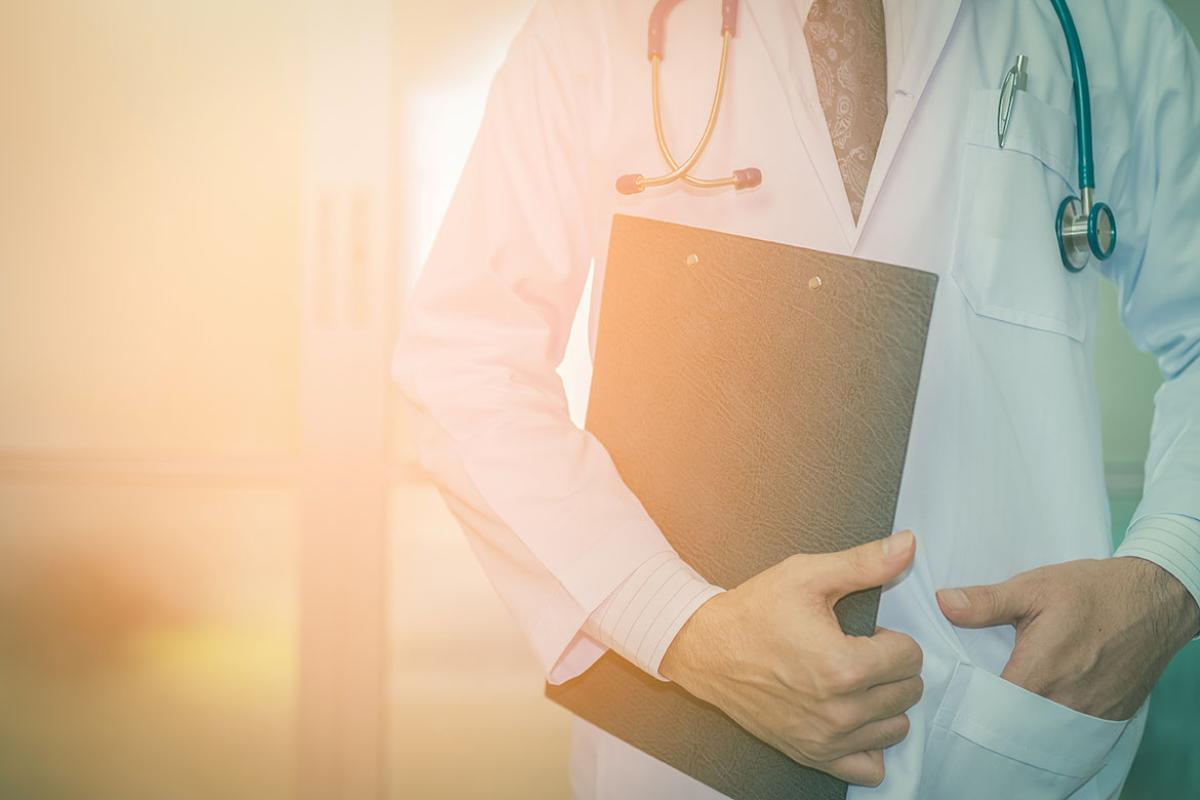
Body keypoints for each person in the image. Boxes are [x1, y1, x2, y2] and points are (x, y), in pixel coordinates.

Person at [395, 1, 1200, 797]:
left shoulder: (1101, 28)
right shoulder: (590, 33)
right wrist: (681, 626)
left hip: (1009, 726)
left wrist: (1171, 574)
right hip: (691, 746)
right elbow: (467, 357)